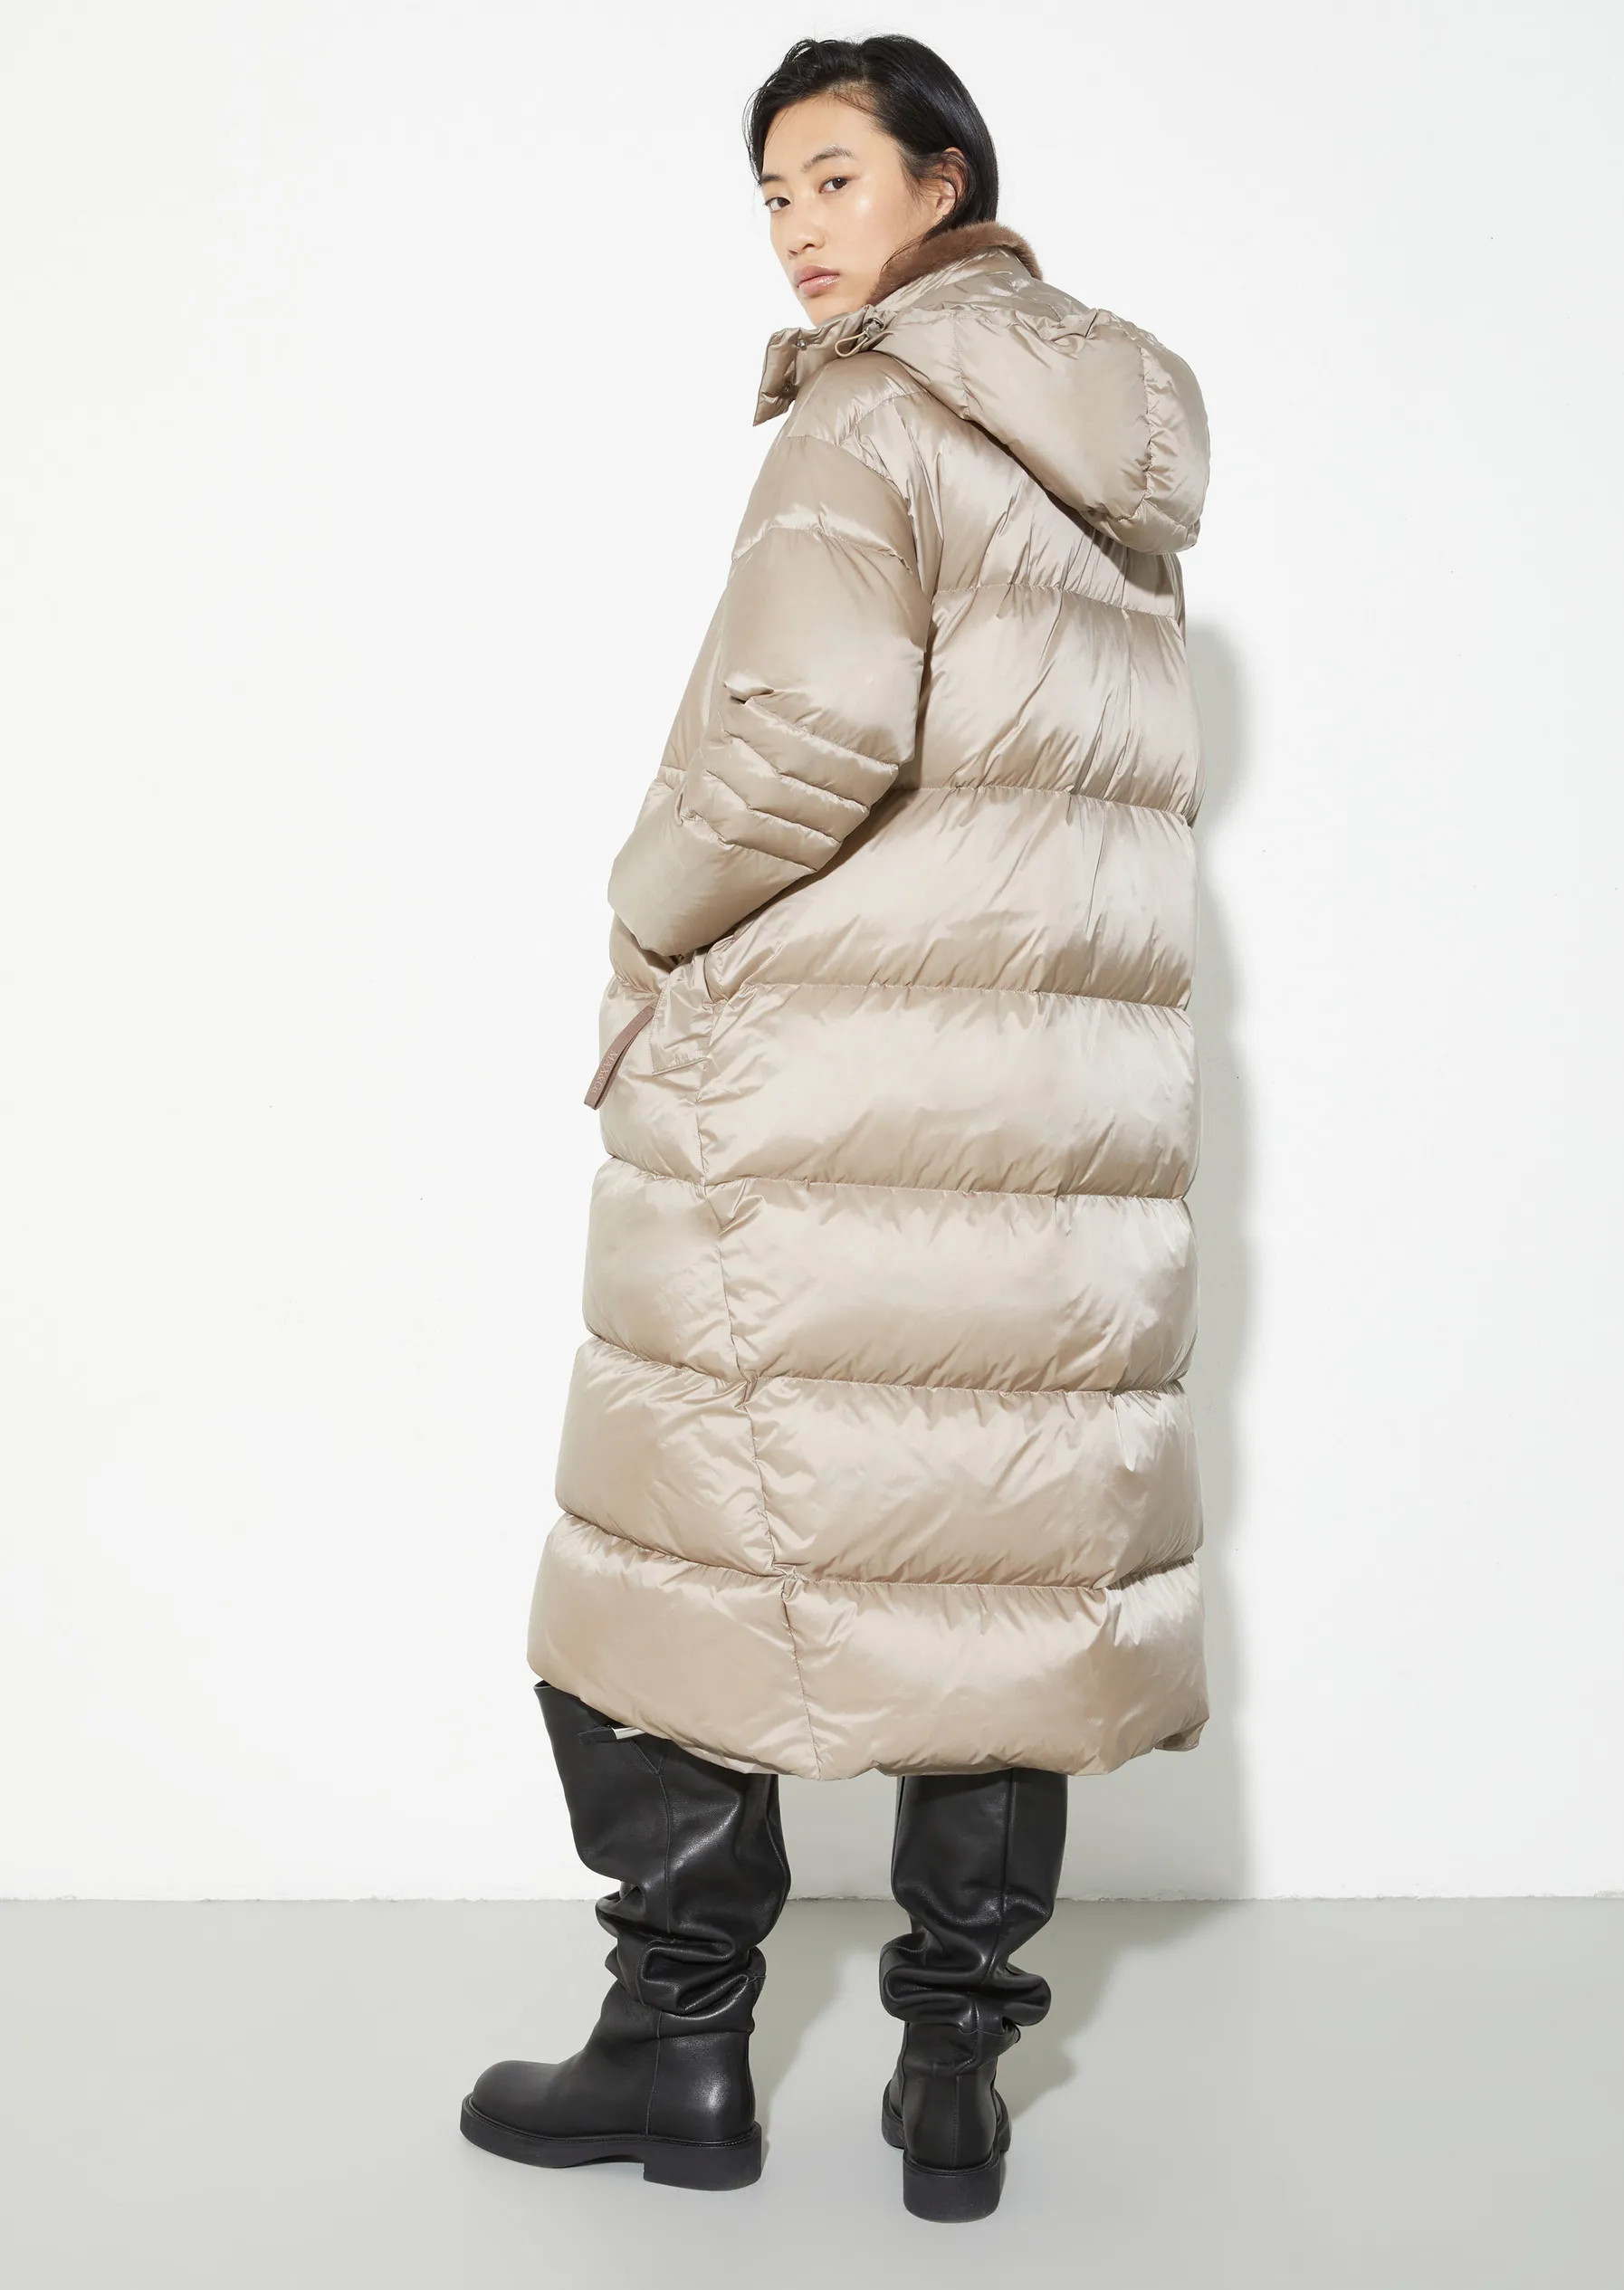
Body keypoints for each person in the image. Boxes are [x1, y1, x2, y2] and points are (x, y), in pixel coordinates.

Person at [461, 32, 1211, 2223]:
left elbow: (805, 729)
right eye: (772, 194)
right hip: (1050, 1131)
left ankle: (676, 2042)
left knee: (661, 1561)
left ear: (943, 180)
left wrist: (639, 911)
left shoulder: (872, 411)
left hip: (820, 1101)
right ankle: (956, 2073)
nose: (797, 228)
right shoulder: (1098, 464)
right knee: (994, 1578)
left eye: (832, 176)